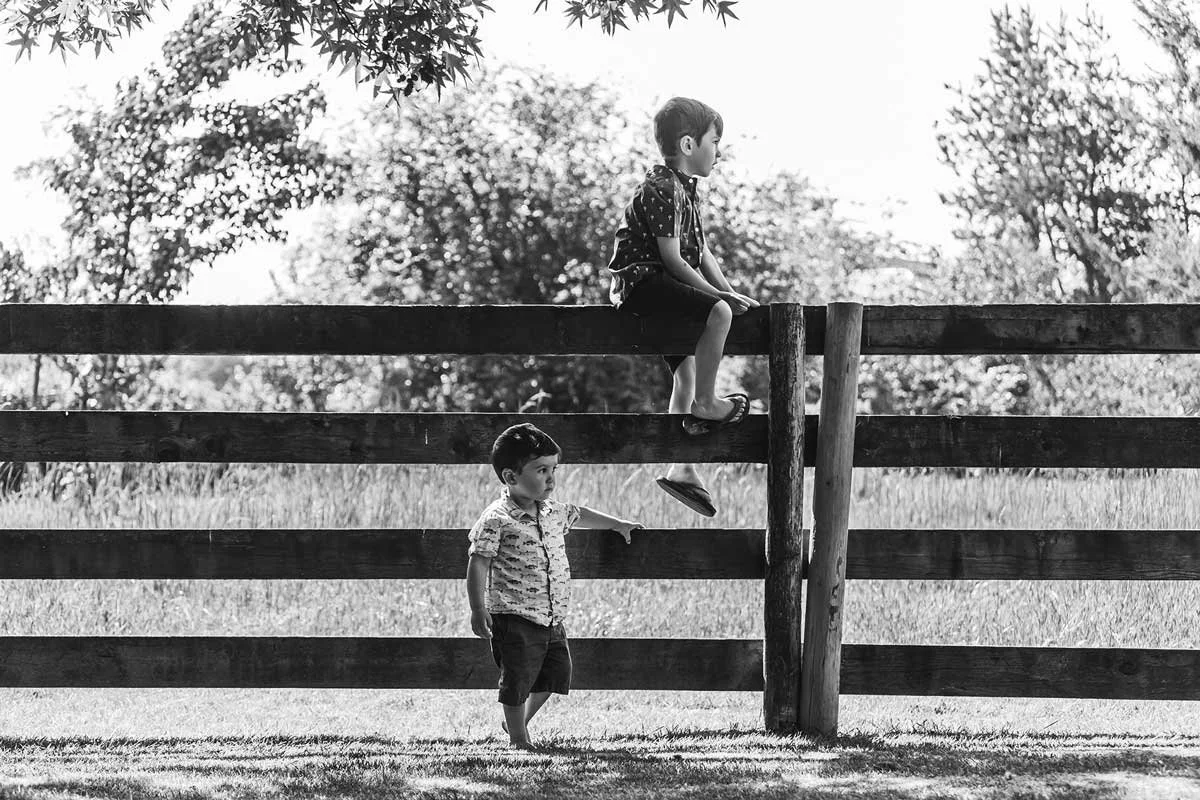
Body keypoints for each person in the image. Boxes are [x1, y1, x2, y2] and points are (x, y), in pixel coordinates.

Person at [607, 96, 760, 517]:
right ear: (689, 144)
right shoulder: (663, 187)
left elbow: (701, 252)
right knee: (719, 315)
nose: (719, 151)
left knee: (686, 372)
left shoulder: (685, 191)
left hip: (658, 284)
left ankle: (682, 468)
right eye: (716, 141)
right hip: (642, 284)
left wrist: (729, 291)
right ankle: (708, 405)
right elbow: (673, 259)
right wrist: (721, 302)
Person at [466, 423, 642, 748]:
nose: (551, 478)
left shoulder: (551, 511)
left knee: (556, 673)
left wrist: (618, 525)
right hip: (513, 615)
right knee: (517, 677)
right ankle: (519, 738)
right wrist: (478, 609)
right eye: (541, 470)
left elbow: (580, 514)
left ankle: (515, 723)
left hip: (551, 616)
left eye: (554, 469)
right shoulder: (496, 519)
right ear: (510, 477)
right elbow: (478, 561)